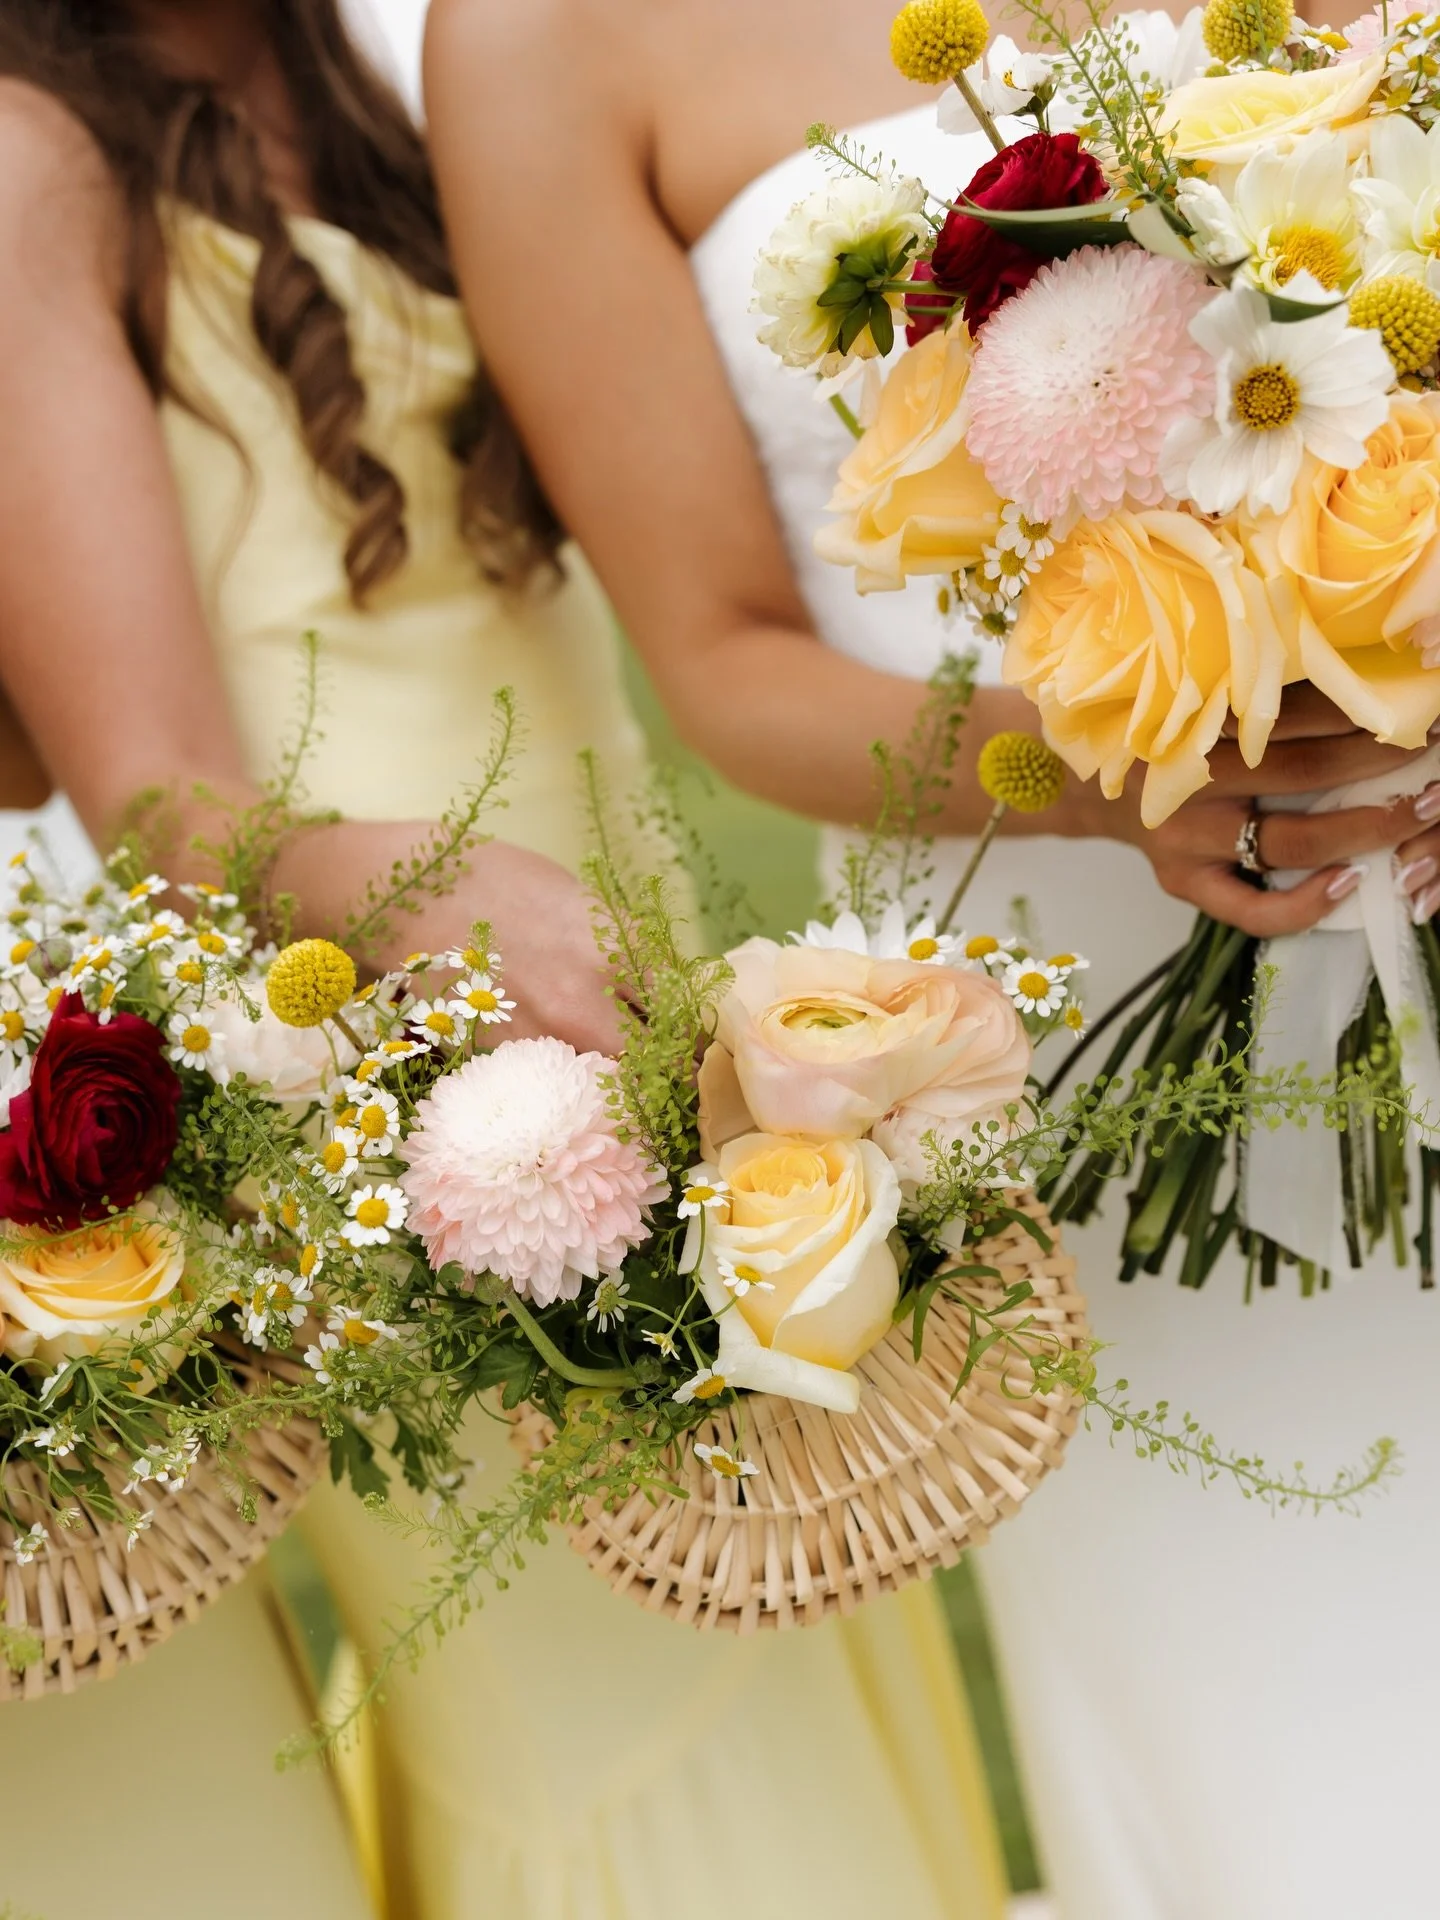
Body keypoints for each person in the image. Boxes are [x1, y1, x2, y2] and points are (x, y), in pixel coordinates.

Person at [415, 1, 1440, 1915]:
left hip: (1419, 789)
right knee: (1284, 1741)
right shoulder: (533, 43)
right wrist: (1117, 765)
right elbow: (722, 661)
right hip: (1064, 1018)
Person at [0, 4, 1009, 1917]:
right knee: (616, 1717)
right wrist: (428, 900)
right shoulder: (28, 157)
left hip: (620, 986)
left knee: (767, 1615)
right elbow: (140, 789)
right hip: (390, 1086)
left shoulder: (350, 82)